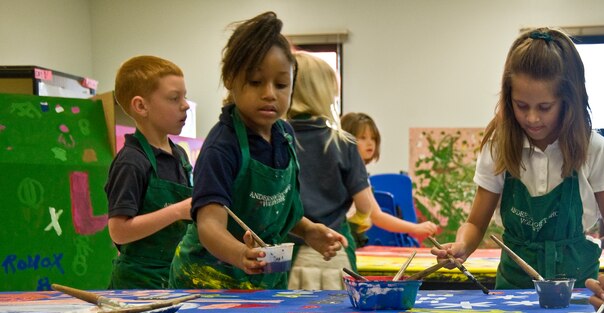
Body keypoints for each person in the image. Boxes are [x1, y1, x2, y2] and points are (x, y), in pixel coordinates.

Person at [432, 27, 604, 288]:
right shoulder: (498, 148)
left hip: (578, 287)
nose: (532, 118)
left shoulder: (595, 149)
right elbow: (475, 224)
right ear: (508, 99)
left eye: (545, 107)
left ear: (568, 100)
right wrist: (462, 246)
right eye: (521, 106)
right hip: (513, 288)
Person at [168, 12, 345, 289]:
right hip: (208, 282)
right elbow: (209, 226)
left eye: (281, 84)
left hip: (262, 277)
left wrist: (309, 230)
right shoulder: (222, 147)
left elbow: (276, 213)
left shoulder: (284, 136)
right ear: (230, 79)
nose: (270, 93)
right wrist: (239, 253)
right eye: (255, 82)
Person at [286, 53, 437, 289]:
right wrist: (358, 220)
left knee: (288, 311)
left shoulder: (277, 139)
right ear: (325, 93)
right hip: (333, 251)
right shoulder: (342, 143)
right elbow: (367, 209)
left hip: (289, 256)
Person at [104, 56, 193, 289]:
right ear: (141, 106)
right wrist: (177, 211)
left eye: (184, 96)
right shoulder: (131, 162)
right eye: (174, 98)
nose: (185, 105)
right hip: (137, 285)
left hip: (173, 275)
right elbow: (119, 231)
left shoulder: (179, 156)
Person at [341, 112, 380, 247]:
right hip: (347, 237)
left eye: (373, 138)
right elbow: (376, 215)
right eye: (362, 138)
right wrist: (415, 228)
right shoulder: (353, 173)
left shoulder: (360, 173)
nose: (370, 143)